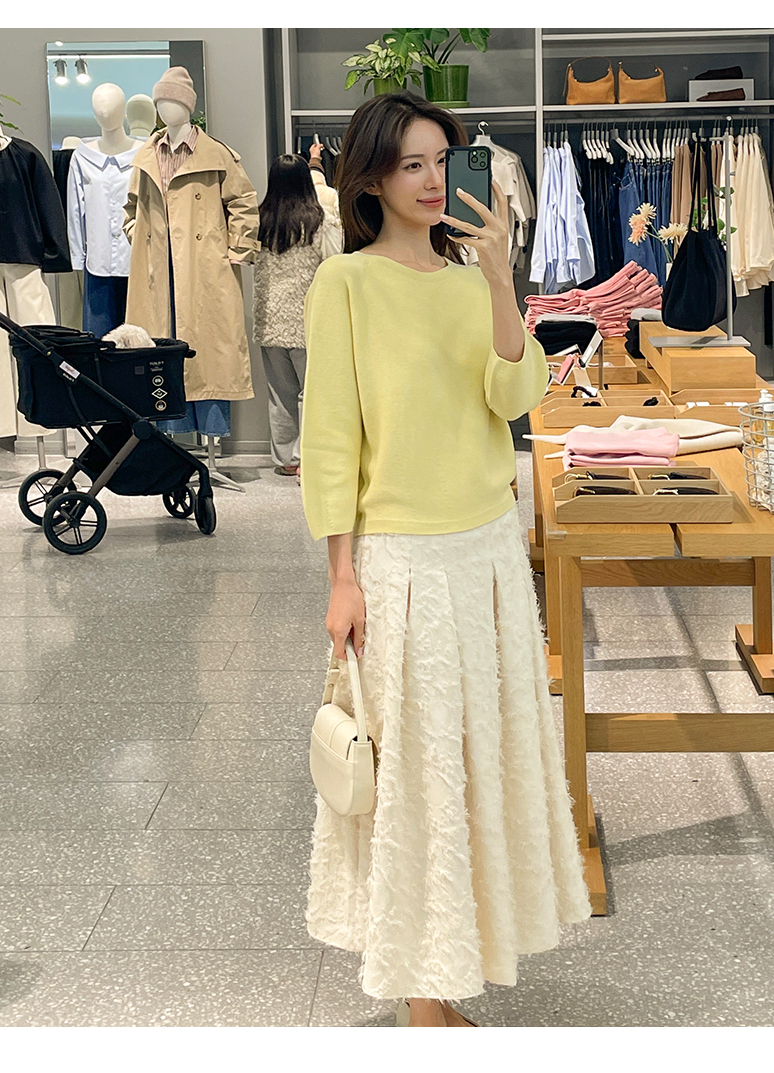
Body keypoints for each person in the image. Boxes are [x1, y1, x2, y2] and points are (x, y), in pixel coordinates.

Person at [300, 92, 592, 1028]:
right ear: (372, 178)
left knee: (480, 763)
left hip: (488, 551)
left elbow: (515, 393)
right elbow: (331, 436)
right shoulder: (345, 284)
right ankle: (423, 1000)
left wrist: (502, 277)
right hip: (402, 561)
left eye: (443, 161)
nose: (433, 181)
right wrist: (341, 575)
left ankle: (455, 964)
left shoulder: (471, 282)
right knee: (420, 778)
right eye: (412, 164)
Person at [252, 146, 341, 479]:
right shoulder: (318, 221)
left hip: (269, 320)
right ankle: (307, 457)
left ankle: (286, 458)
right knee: (312, 392)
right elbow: (334, 261)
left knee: (280, 394)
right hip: (307, 318)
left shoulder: (260, 221)